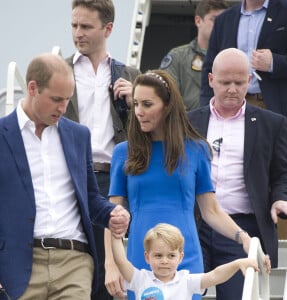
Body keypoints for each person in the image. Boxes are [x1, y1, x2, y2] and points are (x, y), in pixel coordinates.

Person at [104, 69, 266, 300]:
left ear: (168, 106)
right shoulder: (123, 152)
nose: (139, 112)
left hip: (185, 256)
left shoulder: (196, 149)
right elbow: (112, 216)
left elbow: (211, 210)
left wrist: (243, 237)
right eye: (136, 104)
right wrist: (111, 263)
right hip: (141, 258)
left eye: (147, 104)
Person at [0, 53, 130, 300]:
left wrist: (112, 213)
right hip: (18, 266)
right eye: (56, 99)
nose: (63, 108)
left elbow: (91, 197)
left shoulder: (78, 135)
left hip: (74, 262)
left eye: (67, 99)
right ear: (32, 88)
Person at [188, 48, 287, 300]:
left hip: (244, 230)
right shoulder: (188, 122)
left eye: (239, 82)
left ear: (249, 81)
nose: (232, 89)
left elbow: (283, 173)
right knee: (184, 294)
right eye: (225, 82)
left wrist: (281, 198)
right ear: (211, 80)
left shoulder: (272, 123)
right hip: (194, 224)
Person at [64, 1, 140, 299]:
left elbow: (154, 129)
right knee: (75, 259)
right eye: (74, 25)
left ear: (108, 29)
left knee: (114, 273)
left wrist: (135, 101)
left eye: (86, 26)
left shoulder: (131, 75)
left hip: (114, 180)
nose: (77, 33)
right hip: (72, 179)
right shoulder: (61, 71)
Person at [200, 0, 287, 168]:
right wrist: (205, 111)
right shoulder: (225, 19)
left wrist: (275, 62)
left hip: (281, 110)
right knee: (232, 172)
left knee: (280, 176)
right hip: (233, 108)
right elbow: (209, 68)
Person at [111, 223, 262, 300]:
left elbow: (215, 275)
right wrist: (116, 234)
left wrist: (237, 264)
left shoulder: (186, 280)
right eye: (158, 256)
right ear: (147, 257)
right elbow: (121, 261)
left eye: (171, 256)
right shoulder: (140, 278)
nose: (164, 261)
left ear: (180, 257)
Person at [159, 0, 228, 111]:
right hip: (186, 123)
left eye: (224, 21)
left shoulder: (233, 59)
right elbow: (164, 94)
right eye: (214, 20)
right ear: (198, 21)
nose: (220, 25)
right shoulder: (178, 57)